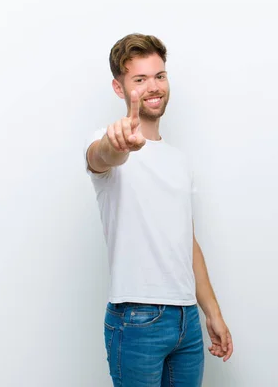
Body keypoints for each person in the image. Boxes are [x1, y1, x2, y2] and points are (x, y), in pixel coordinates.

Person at [83, 33, 233, 387]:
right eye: (140, 79)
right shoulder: (106, 141)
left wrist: (212, 312)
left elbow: (187, 242)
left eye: (159, 76)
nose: (153, 87)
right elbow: (101, 156)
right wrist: (116, 143)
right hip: (136, 319)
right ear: (119, 89)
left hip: (187, 322)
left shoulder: (181, 161)